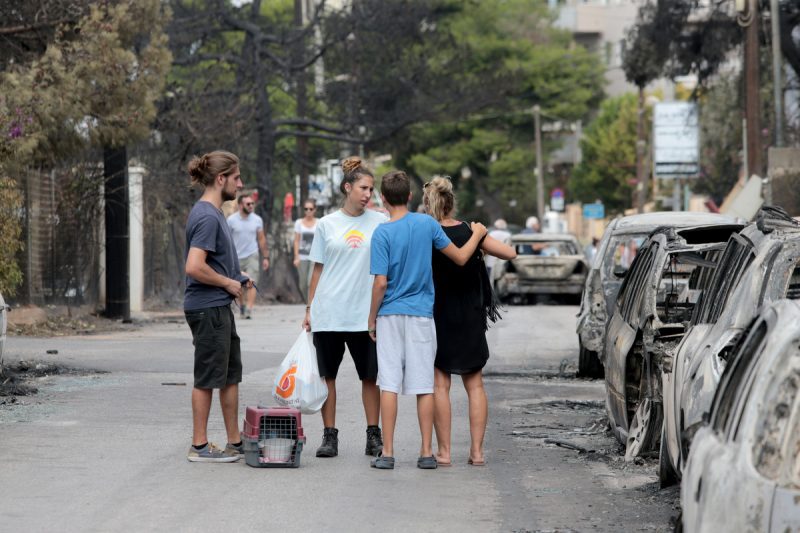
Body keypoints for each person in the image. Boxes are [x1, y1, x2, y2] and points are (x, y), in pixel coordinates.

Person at [367, 170, 487, 470]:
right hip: (421, 314)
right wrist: (477, 235)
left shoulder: (381, 233)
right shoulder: (425, 224)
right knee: (424, 385)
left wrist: (371, 320)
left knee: (390, 385)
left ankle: (389, 453)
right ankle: (425, 452)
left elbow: (380, 282)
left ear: (383, 198)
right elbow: (460, 257)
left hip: (391, 315)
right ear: (409, 196)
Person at [423, 176, 516, 467]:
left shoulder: (428, 234)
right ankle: (477, 453)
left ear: (430, 205)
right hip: (470, 314)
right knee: (475, 385)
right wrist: (479, 238)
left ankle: (445, 452)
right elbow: (510, 253)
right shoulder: (469, 230)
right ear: (452, 202)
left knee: (441, 386)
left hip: (438, 313)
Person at [302, 156, 387, 459]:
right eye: (363, 188)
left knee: (370, 377)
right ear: (348, 187)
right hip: (330, 312)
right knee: (329, 377)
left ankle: (373, 436)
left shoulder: (381, 221)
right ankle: (329, 436)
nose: (368, 194)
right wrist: (309, 308)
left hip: (365, 314)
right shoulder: (326, 224)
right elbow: (317, 269)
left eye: (372, 189)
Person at [183, 150, 251, 463]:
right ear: (221, 179)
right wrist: (226, 283)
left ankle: (234, 441)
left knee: (229, 375)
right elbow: (194, 266)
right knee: (208, 376)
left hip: (219, 307)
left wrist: (238, 276)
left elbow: (214, 262)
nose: (241, 184)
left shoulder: (214, 213)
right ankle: (199, 446)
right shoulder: (207, 216)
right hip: (208, 307)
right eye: (236, 178)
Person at [226, 193, 269, 319]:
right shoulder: (231, 220)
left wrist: (266, 257)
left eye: (252, 203)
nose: (251, 206)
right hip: (236, 257)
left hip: (252, 254)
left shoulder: (257, 220)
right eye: (248, 204)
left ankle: (249, 309)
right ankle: (242, 306)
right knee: (239, 284)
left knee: (252, 281)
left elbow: (261, 239)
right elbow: (227, 240)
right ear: (240, 205)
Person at [293, 199, 318, 303]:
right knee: (302, 284)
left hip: (314, 257)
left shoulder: (319, 222)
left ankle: (311, 304)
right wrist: (296, 256)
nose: (308, 211)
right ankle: (307, 301)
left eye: (310, 209)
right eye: (306, 209)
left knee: (310, 282)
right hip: (302, 256)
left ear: (314, 210)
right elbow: (296, 241)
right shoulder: (299, 223)